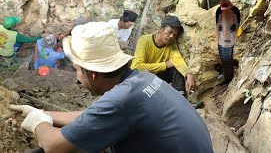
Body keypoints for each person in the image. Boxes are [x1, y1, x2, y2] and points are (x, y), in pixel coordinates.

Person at [10, 22, 214, 153]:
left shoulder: (122, 100)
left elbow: (53, 145)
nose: (78, 79)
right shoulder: (140, 80)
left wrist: (38, 123)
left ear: (93, 73)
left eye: (78, 71)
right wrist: (44, 113)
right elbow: (91, 116)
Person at [131, 15, 195, 97]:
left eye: (175, 35)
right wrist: (165, 65)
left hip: (156, 77)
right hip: (141, 79)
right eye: (170, 32)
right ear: (161, 29)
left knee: (176, 67)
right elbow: (136, 67)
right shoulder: (144, 40)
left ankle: (181, 98)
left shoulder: (171, 44)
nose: (172, 36)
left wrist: (188, 74)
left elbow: (178, 60)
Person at [56, 10, 138, 50]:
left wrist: (120, 44)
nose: (130, 26)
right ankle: (65, 37)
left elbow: (122, 41)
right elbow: (103, 35)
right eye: (129, 24)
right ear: (123, 21)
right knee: (78, 27)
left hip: (108, 44)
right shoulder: (111, 24)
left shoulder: (128, 30)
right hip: (99, 37)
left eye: (131, 24)